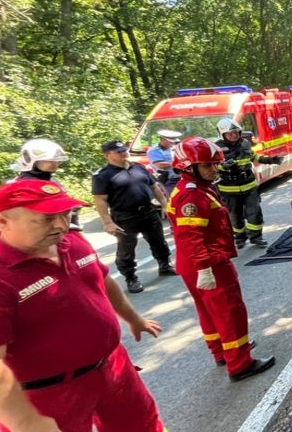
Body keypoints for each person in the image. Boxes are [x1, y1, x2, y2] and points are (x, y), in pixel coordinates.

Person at [0, 178, 195, 432]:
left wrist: (132, 318)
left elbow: (102, 282)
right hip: (46, 395)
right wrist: (23, 421)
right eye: (46, 218)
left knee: (137, 423)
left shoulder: (72, 243)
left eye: (64, 214)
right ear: (3, 221)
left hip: (111, 365)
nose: (61, 224)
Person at [165, 137, 275, 380]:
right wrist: (205, 268)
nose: (214, 169)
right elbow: (190, 237)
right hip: (208, 263)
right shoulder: (192, 196)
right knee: (230, 312)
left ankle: (222, 351)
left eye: (214, 165)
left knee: (209, 312)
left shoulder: (193, 188)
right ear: (188, 166)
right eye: (207, 165)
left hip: (195, 264)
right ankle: (240, 363)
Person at [92, 140, 176, 294]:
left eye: (124, 149)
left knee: (159, 241)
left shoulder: (139, 167)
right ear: (107, 155)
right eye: (118, 151)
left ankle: (165, 265)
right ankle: (131, 277)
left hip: (148, 211)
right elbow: (100, 201)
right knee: (126, 249)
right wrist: (107, 222)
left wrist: (165, 204)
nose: (123, 152)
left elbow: (154, 186)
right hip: (125, 217)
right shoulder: (103, 175)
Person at [214, 118, 283, 249]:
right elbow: (211, 167)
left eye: (236, 132)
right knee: (235, 215)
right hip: (229, 189)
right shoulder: (217, 148)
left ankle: (256, 237)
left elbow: (254, 157)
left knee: (255, 212)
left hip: (249, 185)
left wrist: (271, 160)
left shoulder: (245, 143)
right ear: (222, 134)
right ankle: (240, 238)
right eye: (230, 133)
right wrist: (223, 167)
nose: (234, 135)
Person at [9, 138, 80, 229]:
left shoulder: (51, 180)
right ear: (31, 161)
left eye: (56, 160)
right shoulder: (23, 185)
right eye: (49, 160)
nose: (54, 163)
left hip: (59, 230)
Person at [146, 130, 182, 196]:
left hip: (180, 177)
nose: (172, 144)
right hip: (168, 180)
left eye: (173, 142)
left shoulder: (173, 147)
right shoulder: (154, 150)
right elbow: (160, 165)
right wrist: (177, 163)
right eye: (170, 141)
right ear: (162, 139)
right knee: (170, 198)